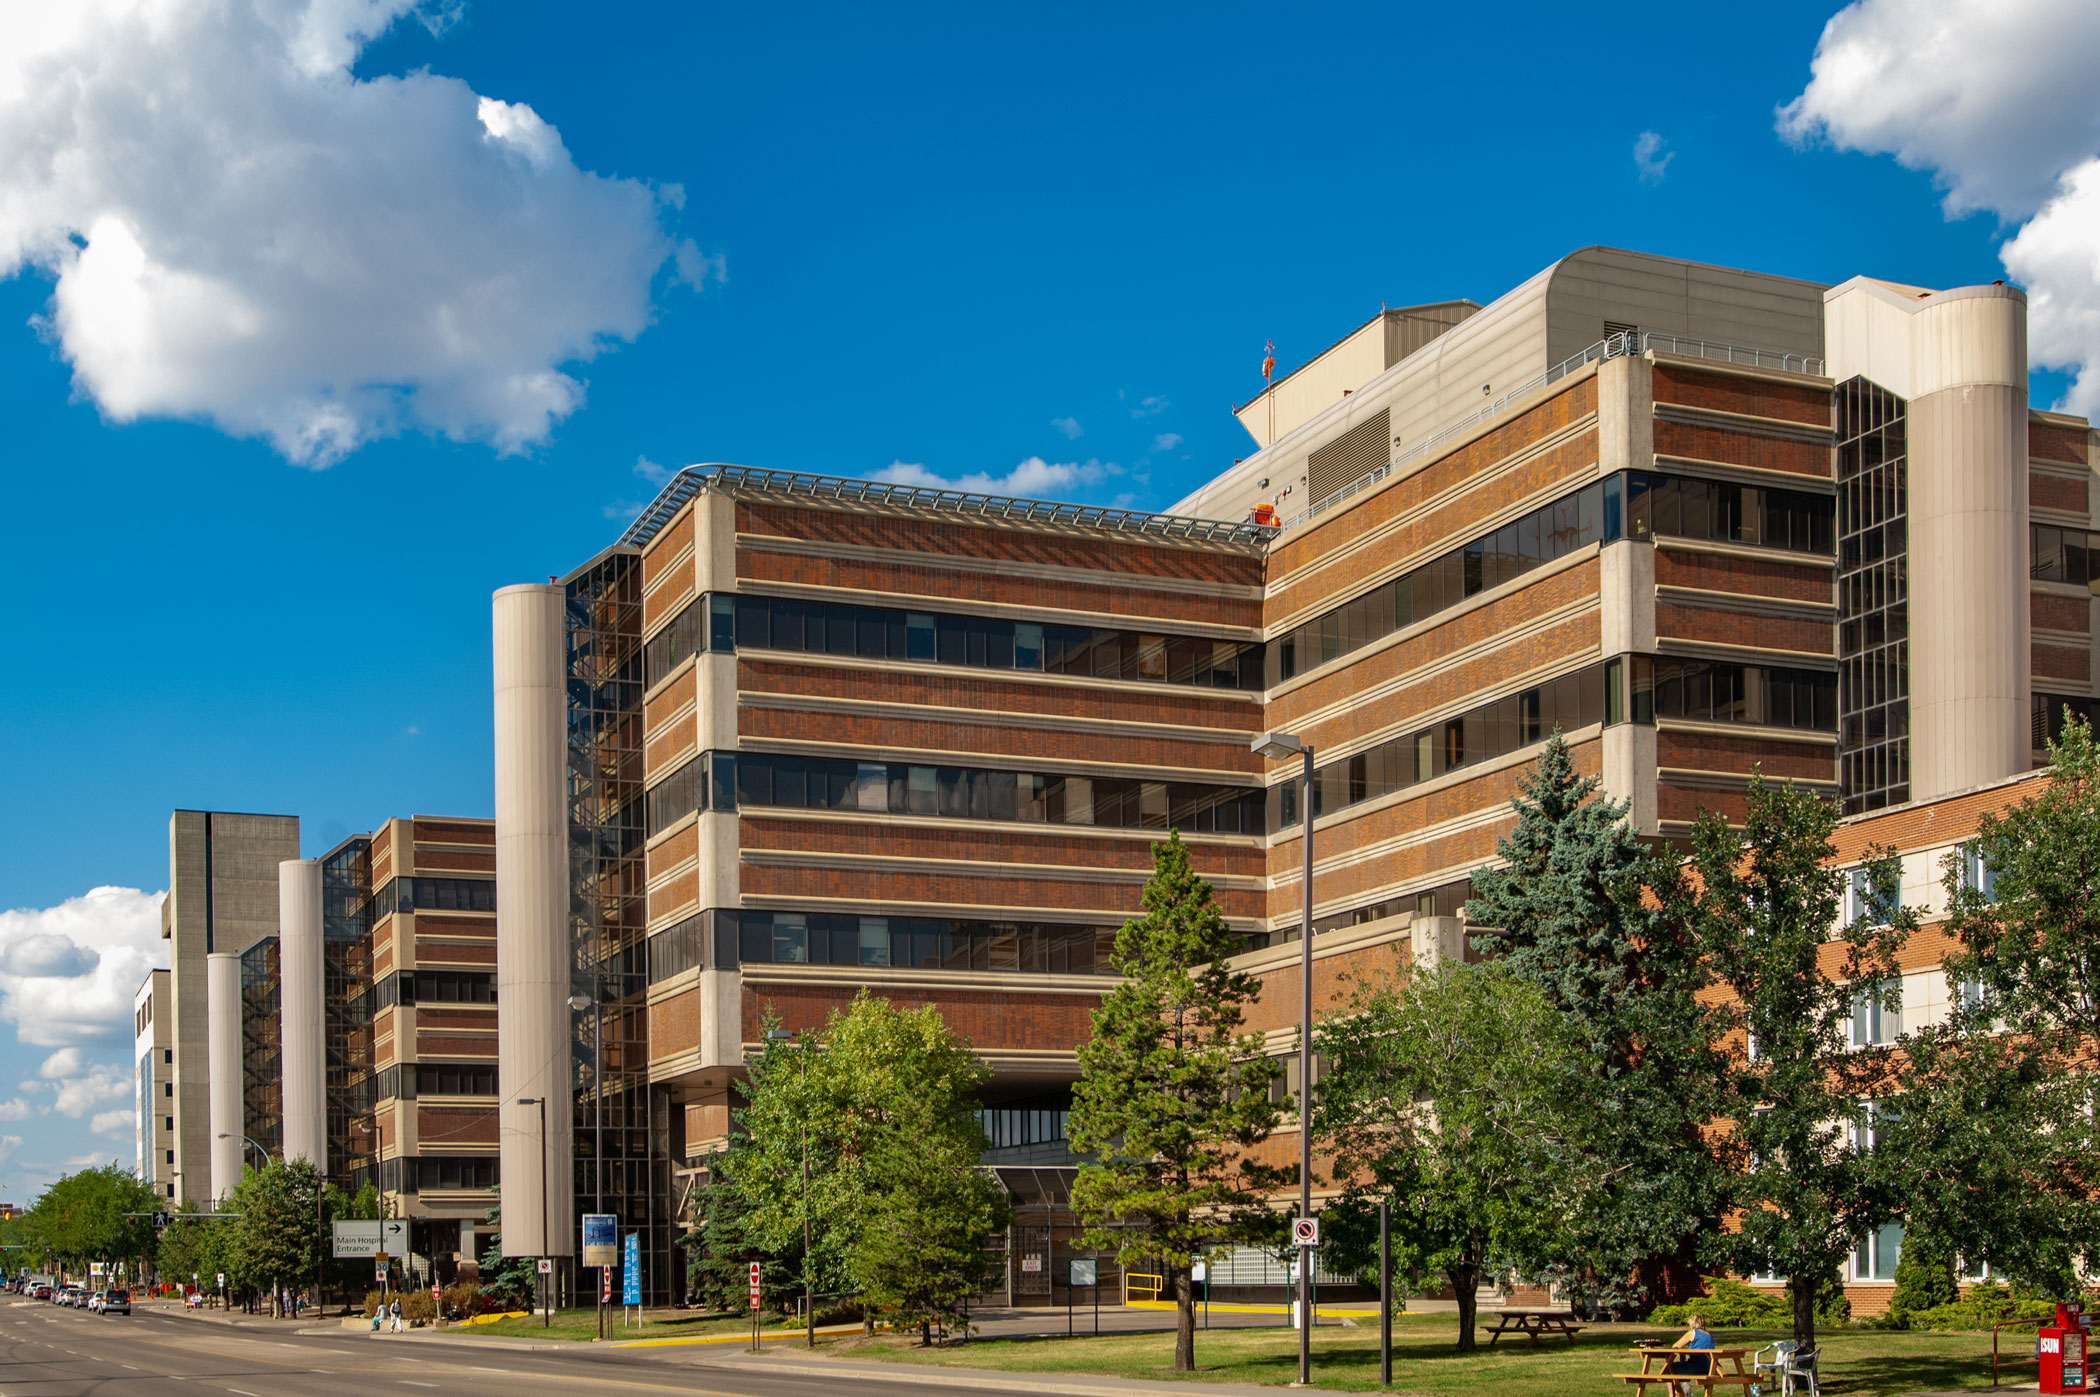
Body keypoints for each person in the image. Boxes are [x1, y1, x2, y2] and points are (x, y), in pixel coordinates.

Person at [1666, 1312, 1716, 1396]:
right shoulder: (1708, 1335)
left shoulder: (1692, 1333)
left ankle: (1672, 1395)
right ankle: (1681, 1393)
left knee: (1668, 1368)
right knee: (1674, 1369)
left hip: (1696, 1367)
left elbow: (1676, 1346)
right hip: (1710, 1368)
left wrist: (1682, 1355)